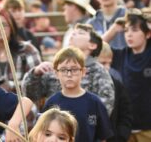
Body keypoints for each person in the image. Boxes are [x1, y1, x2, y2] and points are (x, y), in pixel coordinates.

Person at [22, 23, 115, 115]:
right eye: (73, 32)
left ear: (92, 45)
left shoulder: (99, 72)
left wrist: (82, 121)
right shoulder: (55, 68)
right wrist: (35, 74)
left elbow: (105, 107)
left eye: (81, 33)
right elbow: (31, 95)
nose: (73, 34)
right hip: (55, 126)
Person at [42, 47, 113, 142]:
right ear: (56, 73)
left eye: (74, 69)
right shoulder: (51, 103)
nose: (69, 74)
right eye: (63, 70)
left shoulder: (94, 102)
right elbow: (42, 134)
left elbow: (103, 136)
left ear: (83, 72)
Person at [108, 8, 151, 142]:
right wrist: (114, 30)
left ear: (147, 34)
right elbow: (94, 48)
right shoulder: (121, 55)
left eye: (135, 30)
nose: (129, 35)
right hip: (126, 128)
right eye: (126, 31)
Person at [0, 9, 41, 92]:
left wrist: (11, 85)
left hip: (23, 102)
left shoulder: (27, 50)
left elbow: (37, 82)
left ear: (12, 28)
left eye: (4, 24)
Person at [98, 42, 133, 142]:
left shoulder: (117, 84)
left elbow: (125, 114)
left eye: (110, 63)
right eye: (103, 63)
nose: (107, 67)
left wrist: (121, 137)